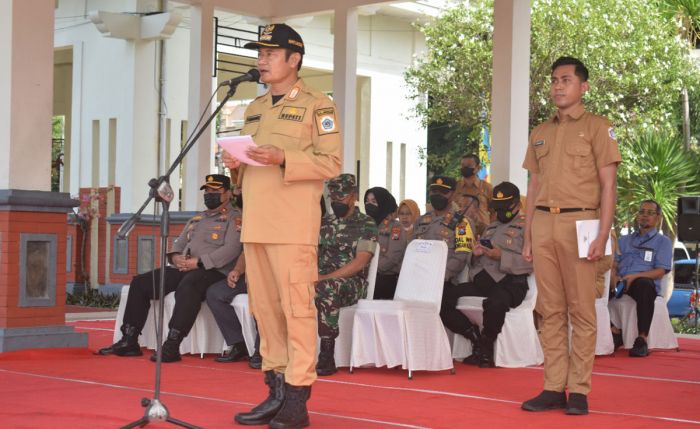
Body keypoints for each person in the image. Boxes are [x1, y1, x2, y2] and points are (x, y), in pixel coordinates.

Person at [221, 23, 341, 429]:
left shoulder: (318, 105)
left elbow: (332, 163)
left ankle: (297, 398)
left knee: (296, 312)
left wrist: (285, 156)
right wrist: (236, 168)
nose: (262, 58)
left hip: (291, 227)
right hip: (256, 224)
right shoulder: (253, 107)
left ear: (295, 59)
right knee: (266, 312)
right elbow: (249, 172)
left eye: (271, 53)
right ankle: (274, 390)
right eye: (260, 52)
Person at [521, 56, 621, 415]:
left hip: (583, 224)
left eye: (565, 79)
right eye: (554, 80)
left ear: (584, 86)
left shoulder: (598, 127)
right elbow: (533, 188)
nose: (558, 86)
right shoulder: (540, 132)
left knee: (581, 310)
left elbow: (609, 187)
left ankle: (578, 390)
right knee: (549, 310)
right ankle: (552, 387)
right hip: (544, 224)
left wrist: (603, 235)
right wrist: (528, 235)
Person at [98, 174, 240, 363]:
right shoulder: (197, 219)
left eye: (215, 191)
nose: (209, 195)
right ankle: (129, 339)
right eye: (207, 191)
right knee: (141, 283)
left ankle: (172, 343)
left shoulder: (234, 218)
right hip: (185, 268)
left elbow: (231, 250)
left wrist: (198, 262)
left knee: (189, 285)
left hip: (213, 272)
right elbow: (178, 244)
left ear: (228, 194)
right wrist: (176, 258)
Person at [440, 182, 533, 368]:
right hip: (484, 280)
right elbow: (476, 262)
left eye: (504, 206)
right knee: (443, 299)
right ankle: (472, 335)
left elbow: (533, 261)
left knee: (496, 302)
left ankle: (487, 345)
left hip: (512, 283)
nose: (500, 211)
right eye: (497, 207)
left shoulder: (528, 228)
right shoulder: (491, 227)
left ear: (517, 204)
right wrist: (475, 256)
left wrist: (502, 256)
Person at [316, 174, 378, 375]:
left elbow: (360, 262)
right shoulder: (324, 222)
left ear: (353, 196)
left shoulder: (366, 224)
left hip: (352, 284)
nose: (336, 202)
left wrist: (325, 278)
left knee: (327, 287)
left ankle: (327, 353)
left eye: (341, 198)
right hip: (320, 280)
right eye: (333, 199)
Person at [611, 200, 672, 357]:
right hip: (621, 281)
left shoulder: (663, 242)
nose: (645, 216)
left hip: (642, 281)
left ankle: (641, 340)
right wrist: (614, 276)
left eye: (650, 213)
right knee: (594, 286)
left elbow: (660, 271)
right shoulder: (624, 240)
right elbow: (613, 264)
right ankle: (615, 331)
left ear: (658, 218)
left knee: (645, 285)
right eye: (642, 212)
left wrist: (635, 276)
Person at [414, 176, 474, 290]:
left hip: (443, 282)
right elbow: (412, 250)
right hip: (417, 277)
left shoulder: (462, 222)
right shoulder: (421, 220)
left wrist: (439, 276)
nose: (437, 195)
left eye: (443, 192)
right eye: (434, 191)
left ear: (453, 195)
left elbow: (461, 256)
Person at [364, 186, 407, 300]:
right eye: (367, 201)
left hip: (385, 281)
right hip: (364, 277)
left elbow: (392, 258)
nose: (369, 205)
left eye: (374, 201)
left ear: (383, 203)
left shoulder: (395, 227)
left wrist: (369, 268)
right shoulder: (364, 225)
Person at [206, 254, 250, 363]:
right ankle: (240, 344)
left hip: (273, 277)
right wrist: (237, 270)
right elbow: (246, 252)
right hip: (250, 276)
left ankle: (260, 350)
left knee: (265, 300)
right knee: (215, 293)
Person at [454, 153, 493, 227]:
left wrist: (490, 228)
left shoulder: (487, 187)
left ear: (477, 168)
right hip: (460, 229)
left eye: (468, 166)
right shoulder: (455, 187)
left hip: (482, 230)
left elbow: (494, 211)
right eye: (462, 166)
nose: (465, 168)